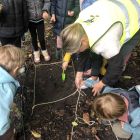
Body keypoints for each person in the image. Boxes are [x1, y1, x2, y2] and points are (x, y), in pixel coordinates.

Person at [61, 0, 140, 95]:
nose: (77, 53)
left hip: (135, 14)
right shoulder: (78, 26)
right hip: (117, 6)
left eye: (77, 51)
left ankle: (119, 73)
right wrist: (79, 71)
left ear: (82, 41)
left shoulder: (107, 43)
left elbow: (116, 65)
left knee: (122, 53)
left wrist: (102, 83)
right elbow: (84, 50)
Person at [0, 45, 25, 140]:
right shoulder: (7, 89)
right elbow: (1, 118)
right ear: (15, 70)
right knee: (8, 134)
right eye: (20, 69)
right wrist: (5, 129)